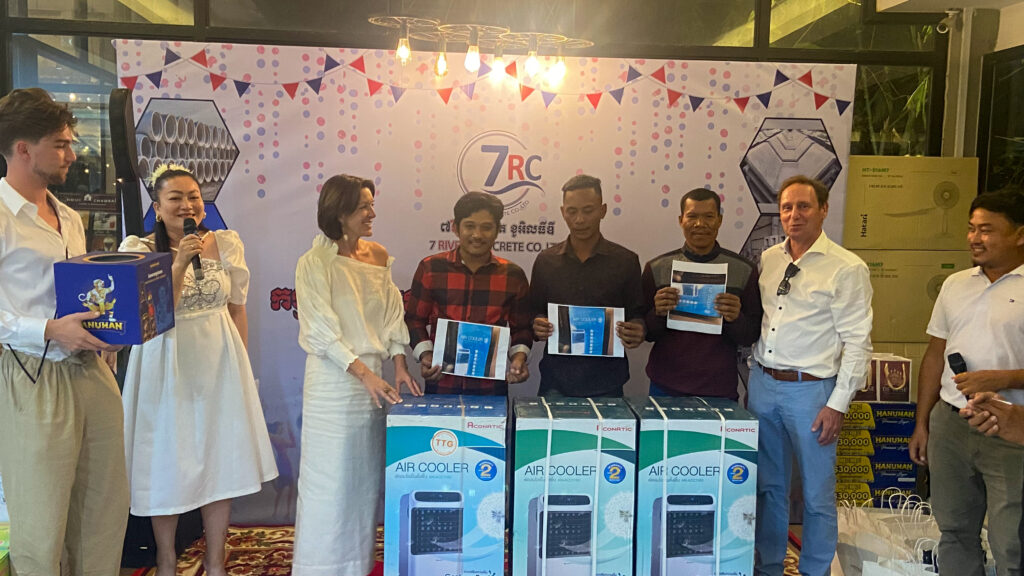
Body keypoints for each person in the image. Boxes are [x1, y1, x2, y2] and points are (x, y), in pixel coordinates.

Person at [119, 163, 278, 576]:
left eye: (193, 197)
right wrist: (178, 264)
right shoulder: (138, 248)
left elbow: (237, 307)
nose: (187, 205)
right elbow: (151, 313)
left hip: (219, 358)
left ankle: (215, 558)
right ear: (157, 208)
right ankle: (166, 558)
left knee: (220, 457)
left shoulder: (226, 243)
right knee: (166, 459)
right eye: (175, 198)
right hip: (165, 360)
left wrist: (240, 367)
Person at [0, 87, 129, 575]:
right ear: (23, 149)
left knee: (103, 511)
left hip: (90, 369)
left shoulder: (70, 216)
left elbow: (81, 294)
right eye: (60, 144)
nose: (72, 155)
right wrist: (49, 330)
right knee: (41, 522)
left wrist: (111, 326)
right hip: (31, 373)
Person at [292, 174, 421, 576]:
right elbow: (320, 331)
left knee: (362, 485)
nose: (372, 213)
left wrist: (398, 364)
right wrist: (364, 374)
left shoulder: (379, 256)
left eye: (371, 205)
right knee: (328, 484)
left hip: (374, 382)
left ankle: (356, 567)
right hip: (333, 382)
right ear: (339, 212)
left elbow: (391, 315)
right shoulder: (314, 262)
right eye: (364, 206)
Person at [748, 174, 872, 576]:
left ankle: (815, 570)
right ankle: (769, 566)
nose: (794, 215)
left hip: (812, 393)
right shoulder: (770, 259)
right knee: (769, 488)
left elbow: (858, 344)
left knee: (817, 494)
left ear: (823, 210)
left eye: (804, 206)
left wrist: (837, 405)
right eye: (787, 207)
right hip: (764, 385)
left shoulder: (847, 268)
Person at [907, 190, 1024, 576]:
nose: (975, 238)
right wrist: (923, 423)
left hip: (1010, 429)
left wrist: (1002, 378)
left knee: (1011, 541)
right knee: (954, 530)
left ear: (1019, 234)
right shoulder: (955, 284)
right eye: (971, 229)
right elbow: (934, 356)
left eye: (987, 230)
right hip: (950, 424)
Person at [529, 174, 646, 397]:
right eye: (572, 211)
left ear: (603, 210)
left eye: (588, 210)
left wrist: (638, 329)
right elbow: (533, 311)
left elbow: (637, 313)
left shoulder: (626, 261)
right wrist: (537, 324)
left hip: (608, 381)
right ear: (563, 212)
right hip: (556, 380)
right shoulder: (546, 261)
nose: (580, 219)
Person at [405, 191, 532, 394]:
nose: (477, 235)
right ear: (455, 227)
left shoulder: (513, 275)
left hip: (491, 389)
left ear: (498, 230)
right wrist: (426, 354)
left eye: (486, 227)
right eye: (470, 226)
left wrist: (519, 358)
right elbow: (414, 320)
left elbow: (522, 328)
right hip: (441, 385)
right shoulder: (431, 268)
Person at [642, 187, 762, 399]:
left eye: (708, 216)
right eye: (692, 216)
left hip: (718, 387)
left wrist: (735, 318)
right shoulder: (658, 268)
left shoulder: (742, 270)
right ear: (681, 220)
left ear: (719, 220)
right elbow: (646, 333)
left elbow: (750, 335)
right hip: (665, 384)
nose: (700, 224)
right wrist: (657, 313)